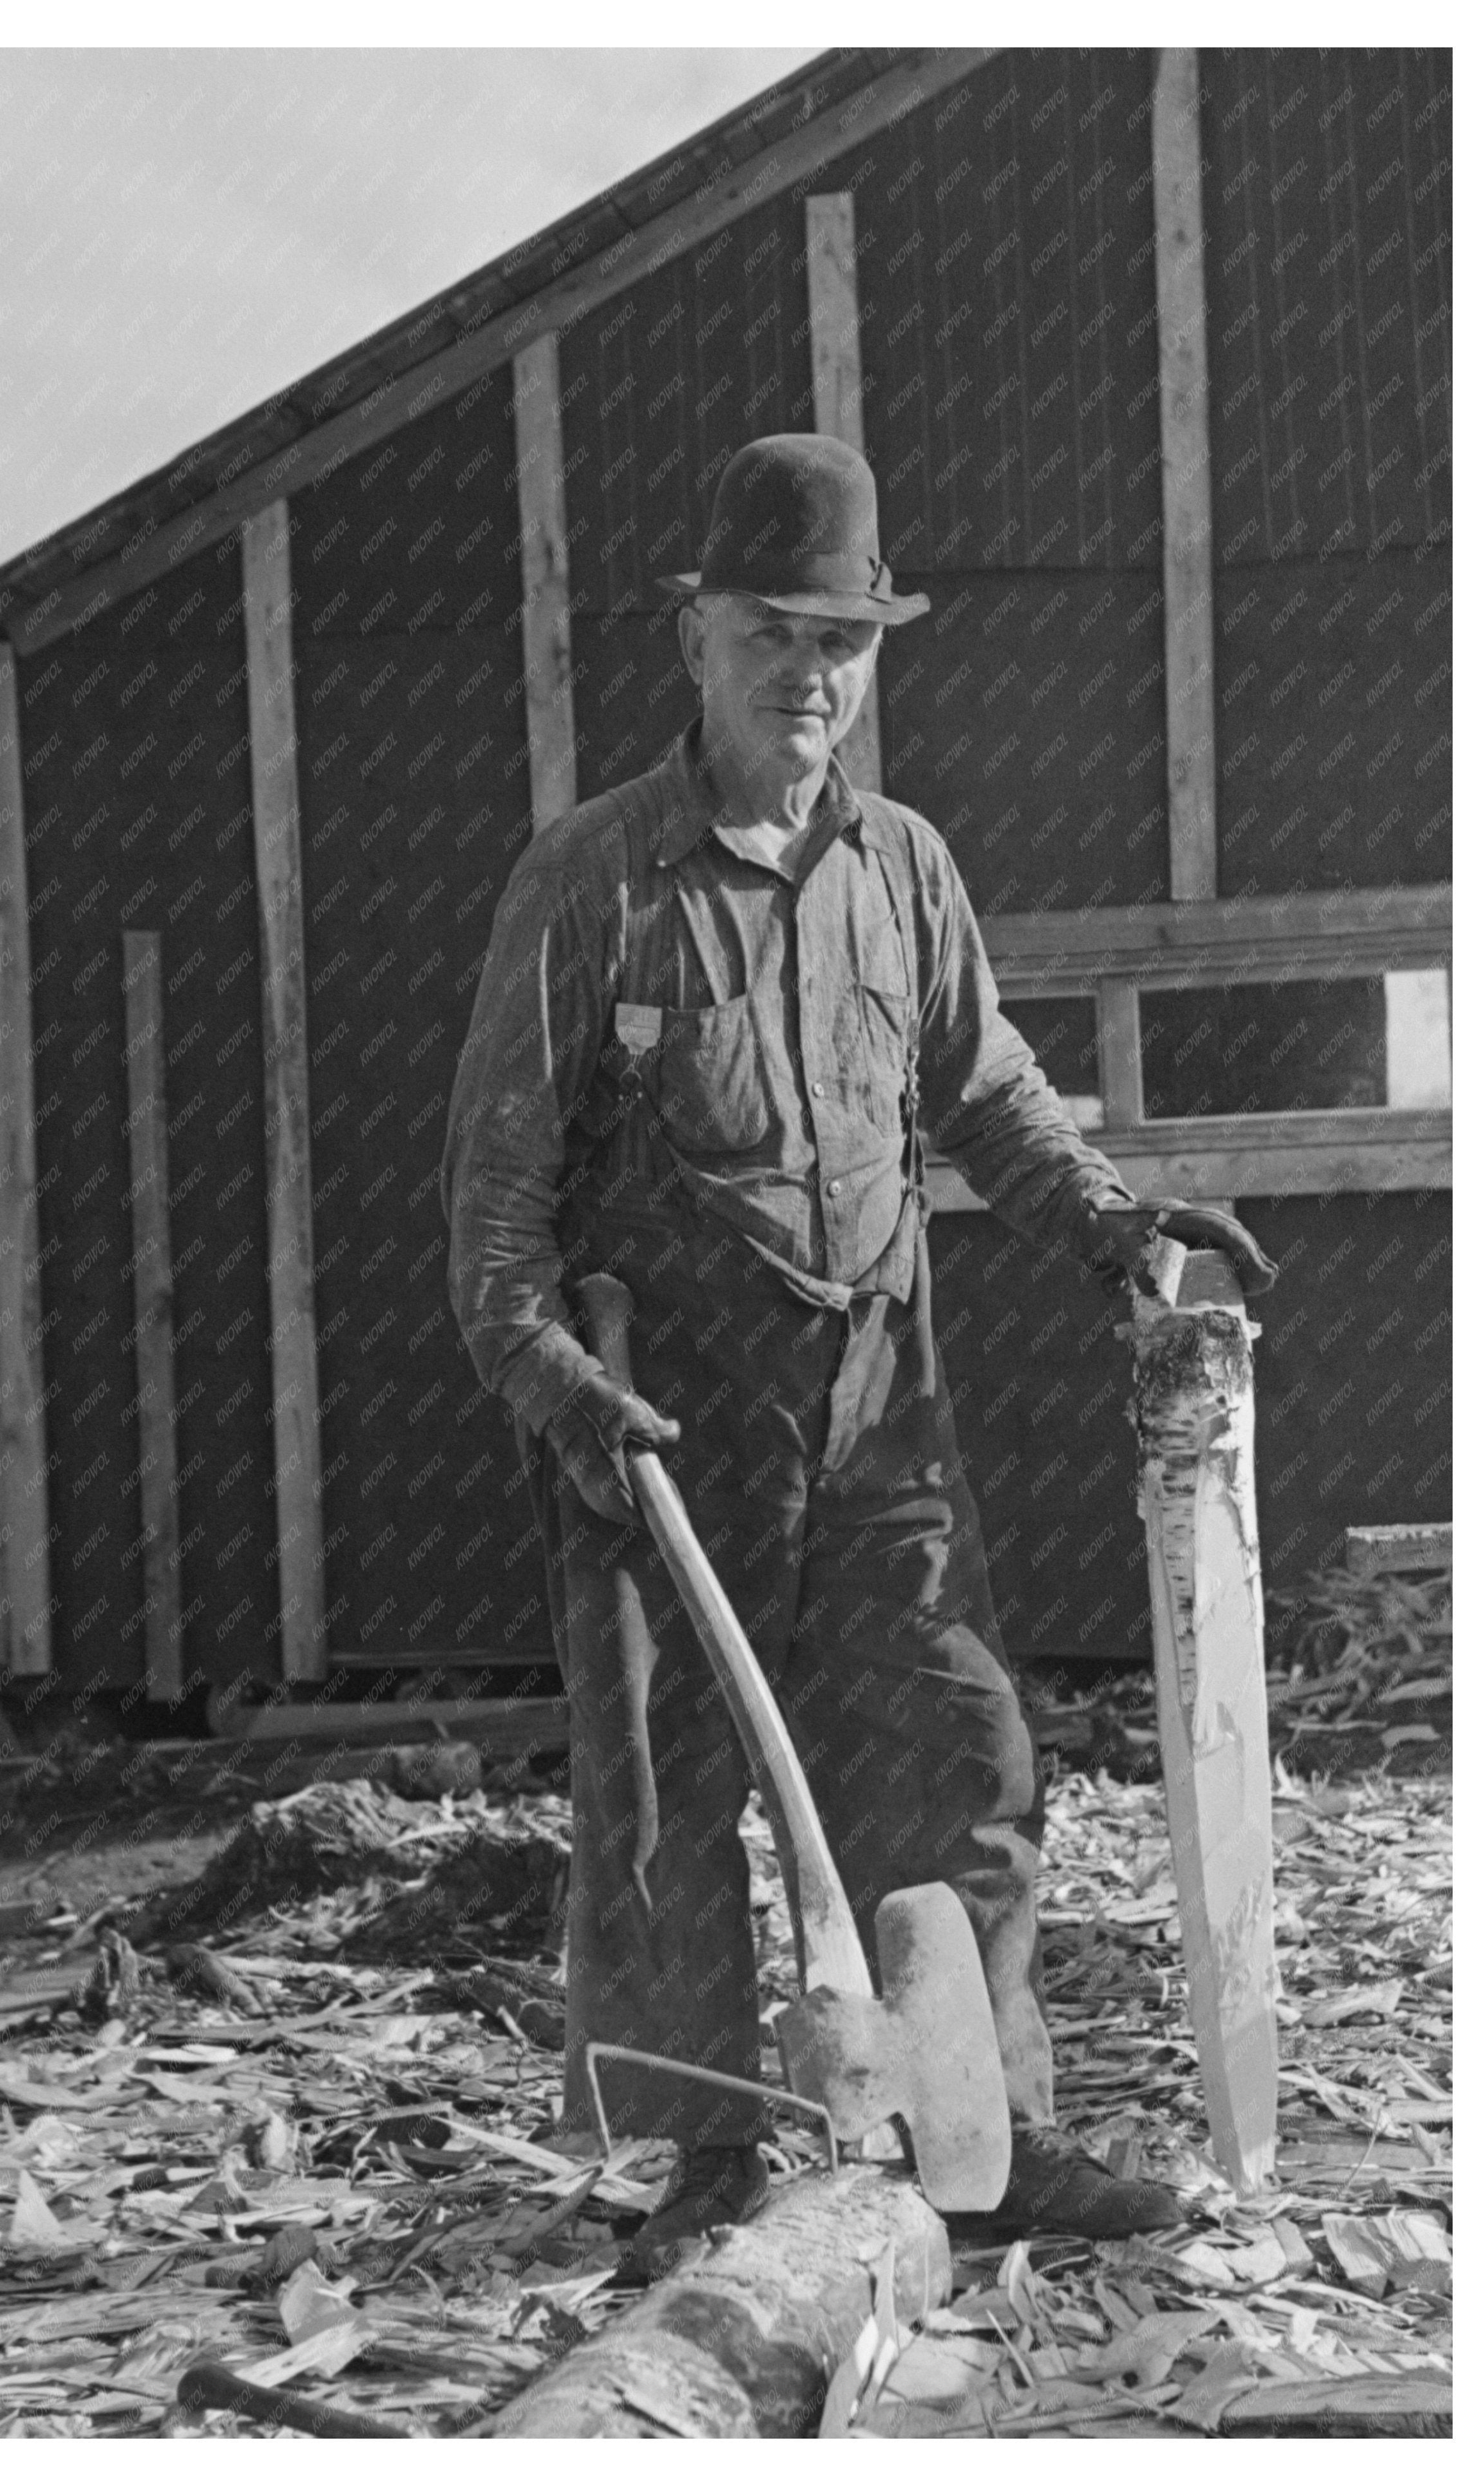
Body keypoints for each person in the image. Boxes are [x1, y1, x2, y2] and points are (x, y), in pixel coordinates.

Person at [441, 433, 1276, 2265]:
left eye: (842, 639)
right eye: (773, 632)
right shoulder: (591, 884)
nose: (810, 673)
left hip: (876, 1405)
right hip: (661, 1432)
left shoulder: (901, 866)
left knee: (959, 1748)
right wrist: (564, 1394)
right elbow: (495, 1217)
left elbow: (986, 1087)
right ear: (695, 637)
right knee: (667, 1801)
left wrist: (1115, 1224)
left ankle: (983, 2147)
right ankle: (705, 2169)